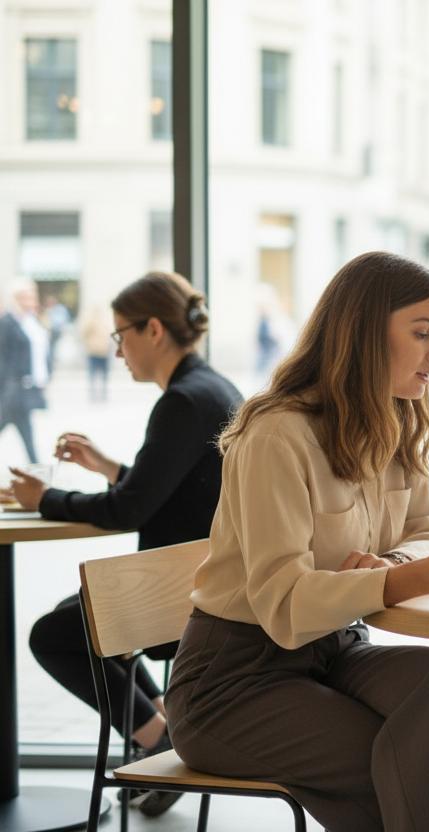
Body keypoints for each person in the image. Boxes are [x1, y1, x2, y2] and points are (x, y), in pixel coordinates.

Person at [165, 251, 429, 832]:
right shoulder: (276, 435)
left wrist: (394, 563)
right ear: (364, 334)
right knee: (400, 763)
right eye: (423, 333)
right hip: (232, 682)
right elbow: (282, 604)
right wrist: (399, 580)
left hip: (333, 652)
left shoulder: (396, 417)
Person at [4, 271, 242, 818]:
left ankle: (157, 738)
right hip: (200, 576)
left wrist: (45, 498)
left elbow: (130, 509)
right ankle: (163, 732)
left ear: (153, 329)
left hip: (183, 589)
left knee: (54, 636)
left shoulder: (183, 401)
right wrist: (109, 466)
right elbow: (169, 487)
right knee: (79, 628)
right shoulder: (209, 388)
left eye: (120, 336)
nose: (116, 351)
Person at [0, 279, 51, 462]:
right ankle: (36, 467)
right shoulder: (7, 322)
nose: (31, 299)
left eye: (32, 294)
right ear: (15, 298)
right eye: (25, 296)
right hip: (12, 388)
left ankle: (36, 467)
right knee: (19, 425)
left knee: (24, 427)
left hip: (27, 387)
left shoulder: (32, 322)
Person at [79, 304, 114, 402]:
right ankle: (93, 395)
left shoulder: (106, 323)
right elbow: (84, 334)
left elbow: (110, 335)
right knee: (93, 375)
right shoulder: (90, 323)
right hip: (93, 352)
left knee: (104, 375)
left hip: (104, 353)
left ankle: (103, 394)